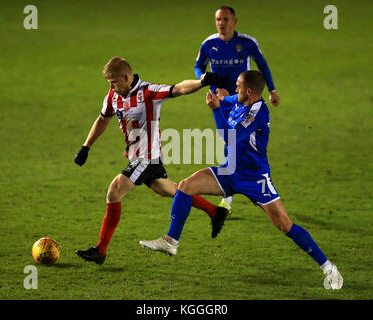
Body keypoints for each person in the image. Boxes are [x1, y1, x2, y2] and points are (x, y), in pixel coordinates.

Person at [139, 70, 343, 290]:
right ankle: (171, 241)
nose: (235, 90)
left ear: (249, 91)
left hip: (255, 179)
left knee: (285, 225)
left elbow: (228, 138)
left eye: (238, 86)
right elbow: (227, 99)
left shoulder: (257, 114)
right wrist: (217, 95)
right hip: (230, 171)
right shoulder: (240, 100)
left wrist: (216, 110)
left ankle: (329, 268)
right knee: (186, 186)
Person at [74, 57, 229, 265]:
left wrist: (202, 82)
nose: (111, 87)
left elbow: (179, 89)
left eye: (113, 82)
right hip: (140, 156)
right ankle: (215, 211)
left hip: (145, 158)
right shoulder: (112, 96)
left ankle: (100, 250)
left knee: (114, 191)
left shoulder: (148, 92)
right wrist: (86, 146)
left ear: (126, 77)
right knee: (168, 190)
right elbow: (103, 119)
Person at [194, 5, 281, 213]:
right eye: (218, 20)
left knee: (234, 140)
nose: (221, 23)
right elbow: (199, 65)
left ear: (234, 21)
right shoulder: (209, 44)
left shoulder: (247, 43)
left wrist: (272, 90)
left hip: (243, 100)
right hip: (221, 99)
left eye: (225, 19)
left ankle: (243, 189)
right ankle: (232, 193)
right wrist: (204, 78)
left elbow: (263, 65)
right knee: (228, 141)